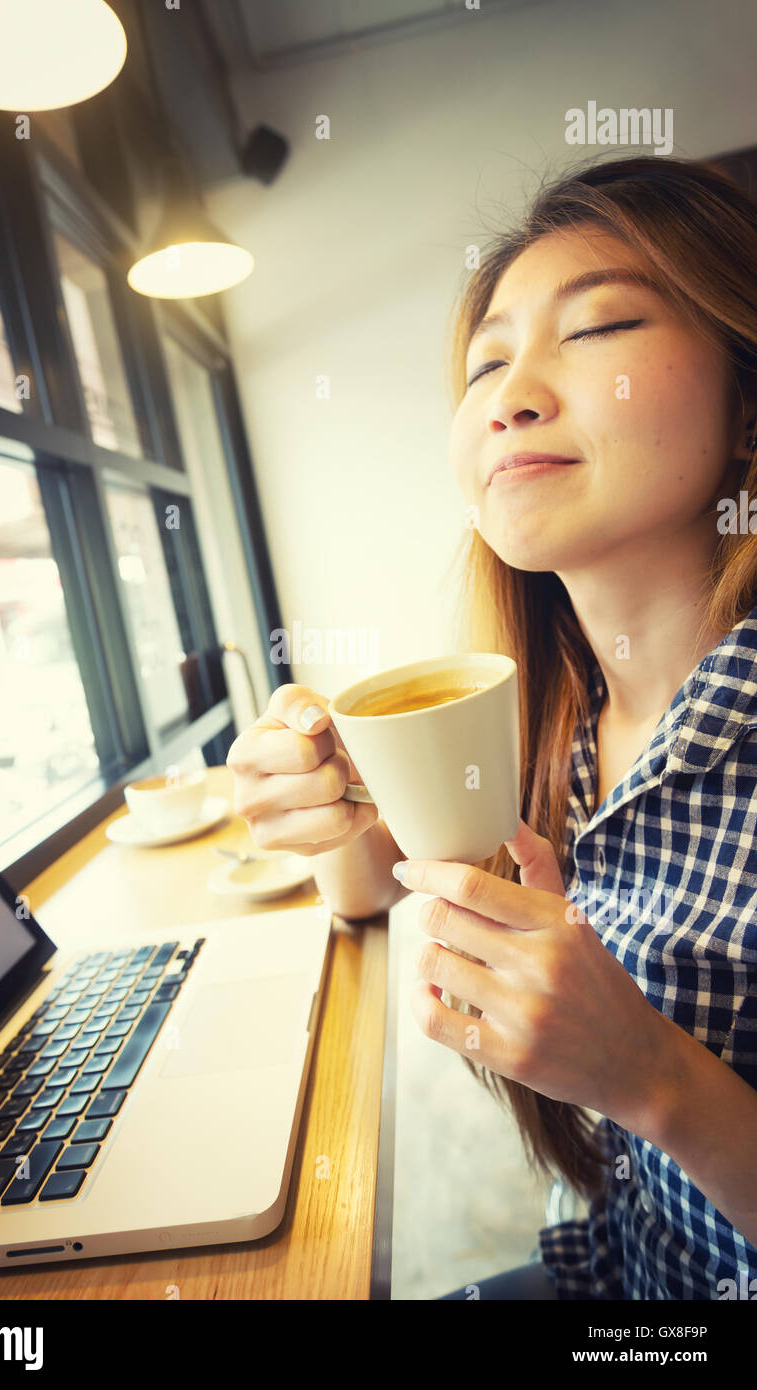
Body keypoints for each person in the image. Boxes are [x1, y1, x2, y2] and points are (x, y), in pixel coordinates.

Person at [227, 154, 757, 1300]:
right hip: (616, 1268)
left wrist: (654, 1077)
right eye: (483, 364)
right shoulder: (558, 713)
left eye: (599, 325)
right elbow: (372, 890)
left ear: (746, 404)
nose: (509, 394)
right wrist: (326, 801)